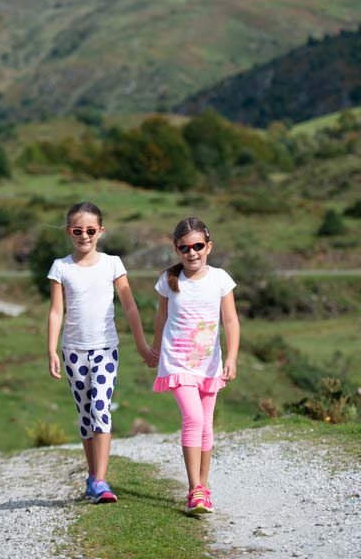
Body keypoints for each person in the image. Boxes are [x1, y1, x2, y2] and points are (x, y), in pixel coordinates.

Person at [47, 201, 156, 504]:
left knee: (101, 408)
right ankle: (93, 477)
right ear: (69, 232)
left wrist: (141, 344)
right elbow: (57, 311)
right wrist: (52, 350)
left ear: (101, 231)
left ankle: (101, 480)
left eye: (91, 230)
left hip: (106, 349)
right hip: (72, 352)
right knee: (85, 415)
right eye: (78, 230)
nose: (85, 236)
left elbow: (130, 305)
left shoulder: (112, 264)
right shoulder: (61, 267)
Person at [152, 216, 240, 514]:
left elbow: (230, 320)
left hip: (208, 364)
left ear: (208, 246)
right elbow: (161, 318)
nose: (192, 253)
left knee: (206, 425)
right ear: (177, 250)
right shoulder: (169, 280)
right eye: (185, 248)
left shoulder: (220, 279)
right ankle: (194, 490)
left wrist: (231, 357)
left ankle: (203, 487)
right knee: (193, 418)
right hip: (176, 362)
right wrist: (153, 348)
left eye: (198, 246)